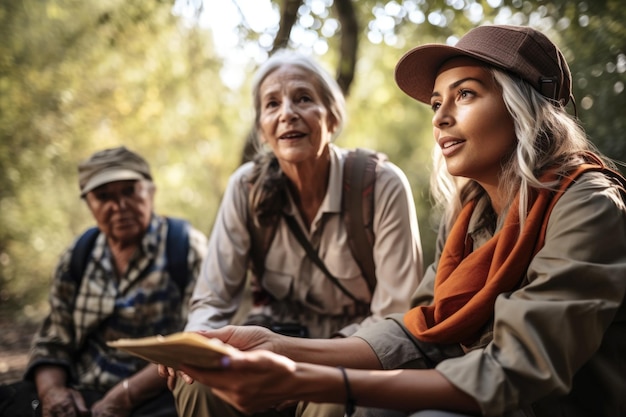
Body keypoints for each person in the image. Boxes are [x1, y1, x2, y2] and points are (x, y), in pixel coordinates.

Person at [159, 25, 626, 417]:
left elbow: (512, 371)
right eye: (436, 103)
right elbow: (417, 328)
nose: (441, 117)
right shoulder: (472, 218)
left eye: (465, 94)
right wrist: (277, 348)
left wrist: (312, 380)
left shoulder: (586, 204)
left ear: (523, 105)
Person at [170, 50, 424, 416]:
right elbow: (211, 301)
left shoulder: (379, 185)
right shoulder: (245, 188)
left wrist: (306, 366)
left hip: (353, 353)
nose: (287, 112)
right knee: (196, 388)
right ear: (262, 128)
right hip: (268, 345)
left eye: (303, 98)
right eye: (272, 104)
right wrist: (196, 345)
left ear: (333, 117)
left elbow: (396, 317)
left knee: (333, 402)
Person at [2, 146, 208, 417]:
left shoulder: (186, 248)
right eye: (103, 197)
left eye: (129, 191)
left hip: (157, 396)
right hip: (84, 392)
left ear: (151, 192)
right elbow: (53, 343)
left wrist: (122, 397)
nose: (119, 206)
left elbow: (195, 341)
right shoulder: (79, 255)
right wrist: (53, 393)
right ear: (89, 204)